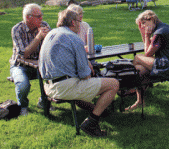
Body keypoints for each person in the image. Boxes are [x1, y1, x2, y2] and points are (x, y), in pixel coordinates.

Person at [39, 9, 119, 138]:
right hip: (64, 88)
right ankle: (92, 122)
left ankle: (99, 110)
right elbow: (85, 75)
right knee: (113, 84)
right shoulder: (73, 38)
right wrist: (89, 69)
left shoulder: (51, 33)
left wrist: (85, 61)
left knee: (84, 82)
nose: (80, 25)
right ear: (73, 22)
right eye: (79, 22)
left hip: (47, 87)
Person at [126, 10, 169, 111]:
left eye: (144, 23)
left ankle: (130, 88)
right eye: (141, 25)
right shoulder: (163, 27)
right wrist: (143, 33)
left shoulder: (160, 33)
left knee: (137, 58)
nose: (143, 26)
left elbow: (147, 53)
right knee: (139, 69)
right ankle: (139, 101)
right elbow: (148, 49)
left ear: (151, 19)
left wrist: (147, 35)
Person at [9, 3, 51, 116]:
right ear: (28, 17)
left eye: (41, 15)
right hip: (20, 65)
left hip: (40, 65)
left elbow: (52, 47)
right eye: (38, 16)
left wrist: (49, 39)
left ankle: (44, 102)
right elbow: (24, 54)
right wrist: (38, 38)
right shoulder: (17, 29)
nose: (41, 18)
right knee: (23, 85)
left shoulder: (44, 25)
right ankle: (22, 106)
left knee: (57, 77)